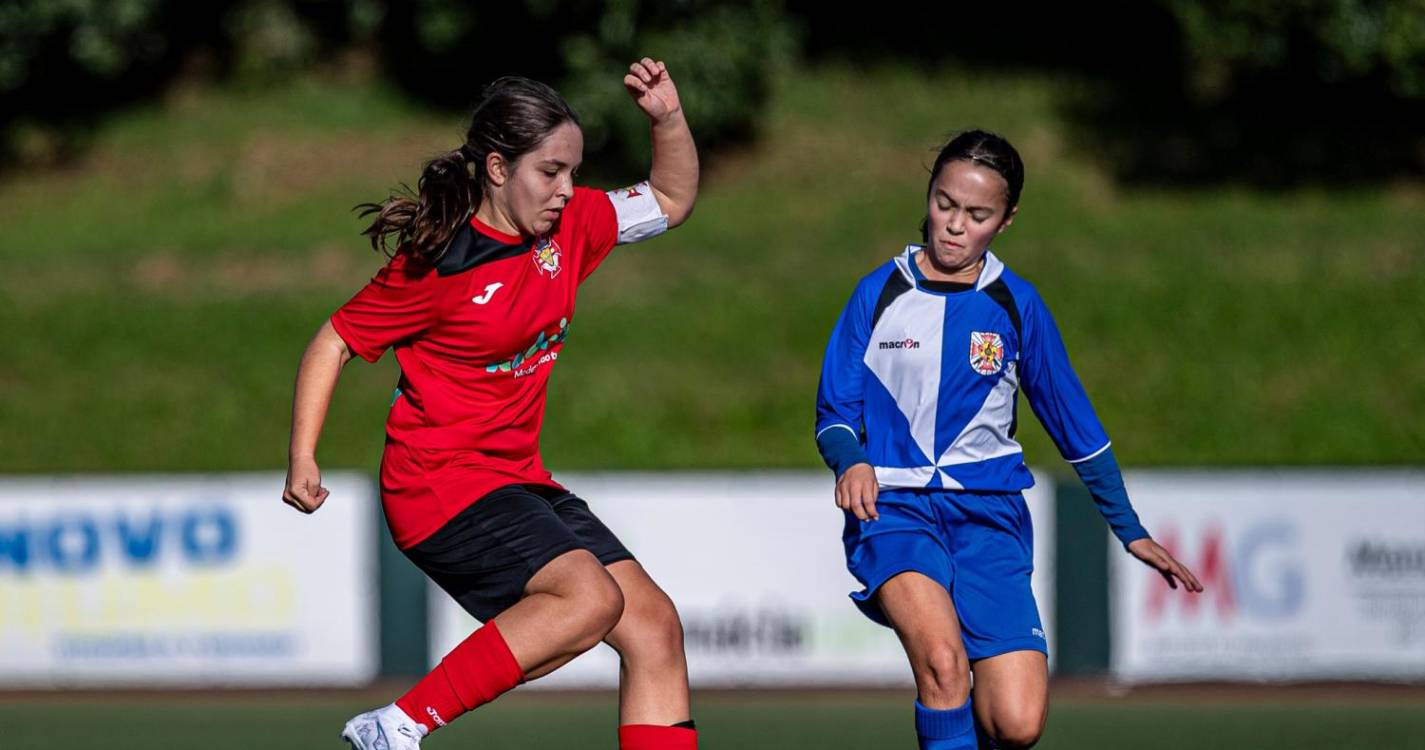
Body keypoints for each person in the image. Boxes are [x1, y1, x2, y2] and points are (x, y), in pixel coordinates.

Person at [282, 59, 699, 750]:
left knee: (652, 626)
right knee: (590, 599)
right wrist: (302, 457)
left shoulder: (572, 227)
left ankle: (400, 724)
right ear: (498, 169)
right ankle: (396, 728)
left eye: (573, 171)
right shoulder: (437, 264)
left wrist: (666, 118)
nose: (568, 190)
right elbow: (334, 340)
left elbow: (668, 199)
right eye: (551, 171)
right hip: (437, 484)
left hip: (515, 479)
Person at [814, 130, 1202, 749]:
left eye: (977, 214)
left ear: (1006, 219)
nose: (953, 226)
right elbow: (834, 412)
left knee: (1017, 724)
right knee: (943, 664)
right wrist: (851, 459)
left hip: (989, 519)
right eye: (944, 203)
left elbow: (1077, 428)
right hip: (895, 509)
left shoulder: (1018, 305)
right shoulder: (877, 293)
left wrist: (1130, 528)